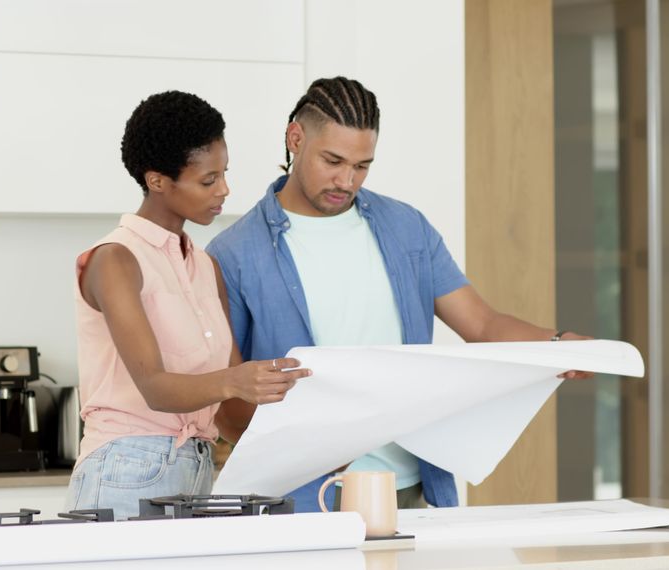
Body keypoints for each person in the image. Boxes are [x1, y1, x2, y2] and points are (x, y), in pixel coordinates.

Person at [206, 76, 590, 512]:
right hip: (303, 497)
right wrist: (305, 449)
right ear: (296, 137)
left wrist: (556, 346)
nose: (346, 180)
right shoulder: (233, 254)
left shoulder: (406, 228)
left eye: (362, 165)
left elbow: (482, 324)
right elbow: (225, 401)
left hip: (410, 486)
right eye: (332, 160)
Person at [64, 91, 310, 520]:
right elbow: (156, 388)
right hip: (124, 470)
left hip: (195, 472)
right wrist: (237, 379)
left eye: (225, 174)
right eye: (208, 180)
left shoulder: (205, 266)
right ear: (158, 180)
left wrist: (313, 448)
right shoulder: (116, 259)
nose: (225, 190)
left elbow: (230, 415)